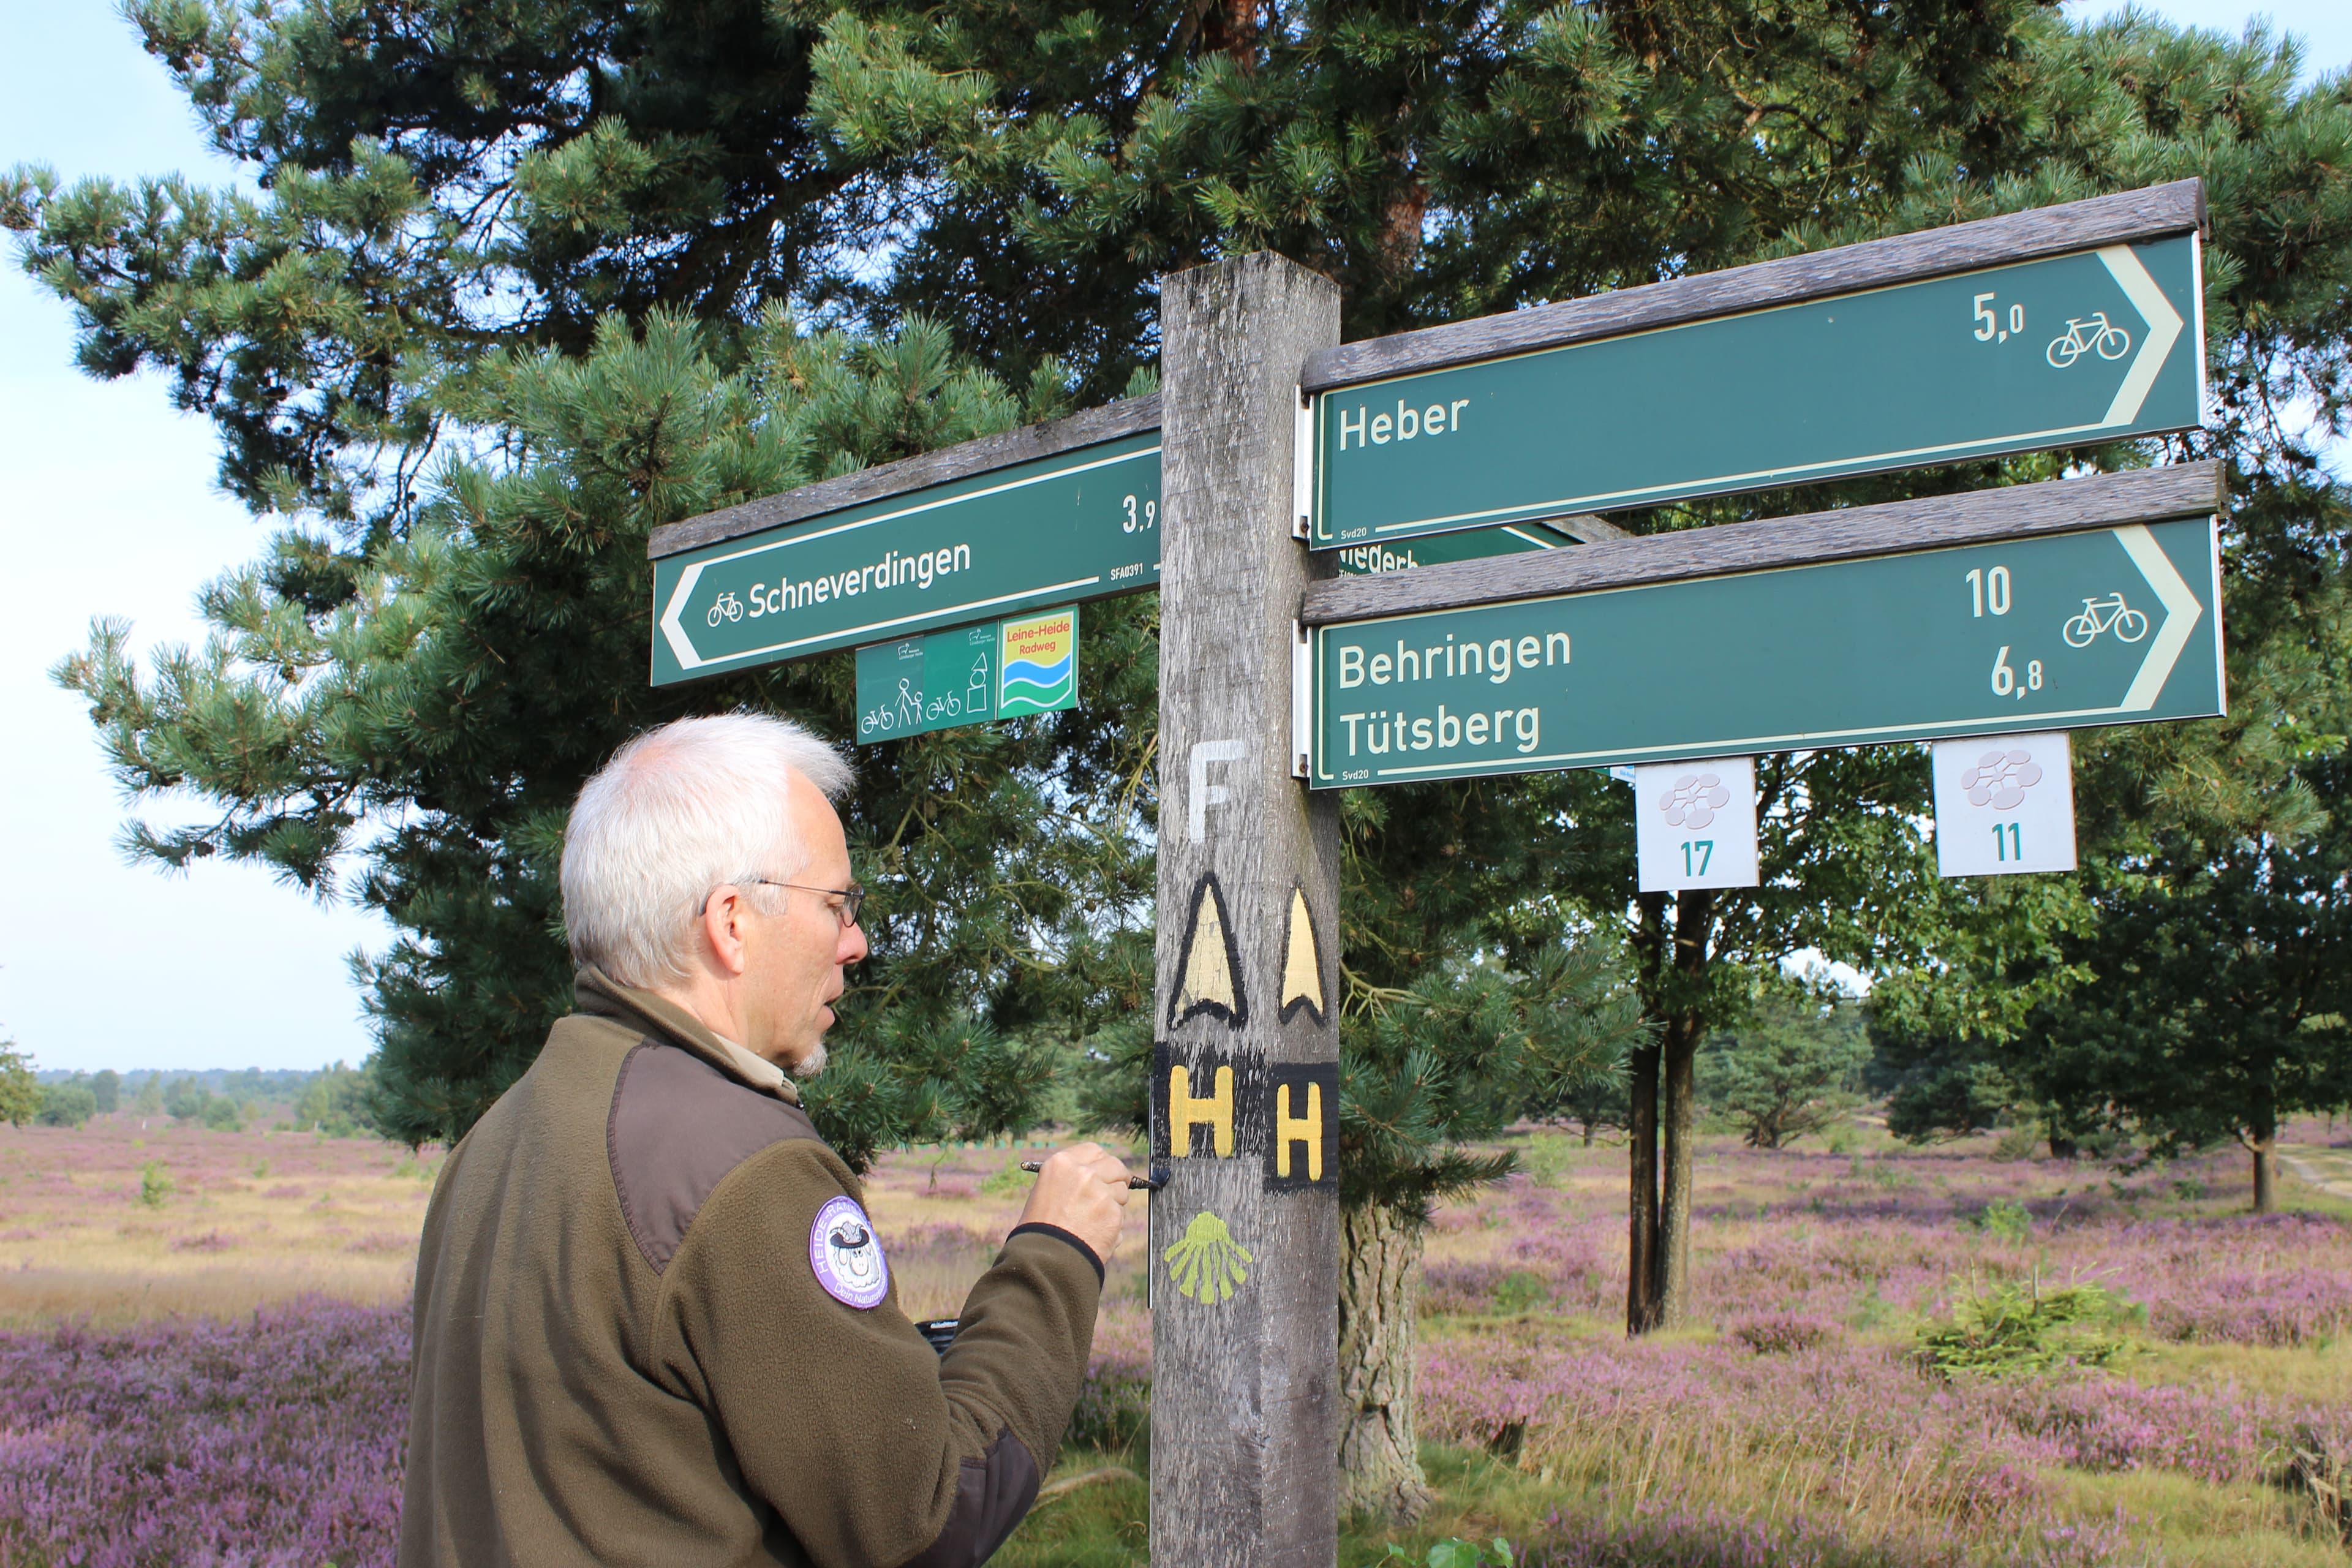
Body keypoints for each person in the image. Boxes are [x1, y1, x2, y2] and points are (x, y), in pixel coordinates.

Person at [400, 712, 1133, 1567]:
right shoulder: (743, 1166)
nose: (855, 944)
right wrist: (1055, 1254)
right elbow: (930, 1517)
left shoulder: (498, 1138)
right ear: (733, 922)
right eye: (838, 905)